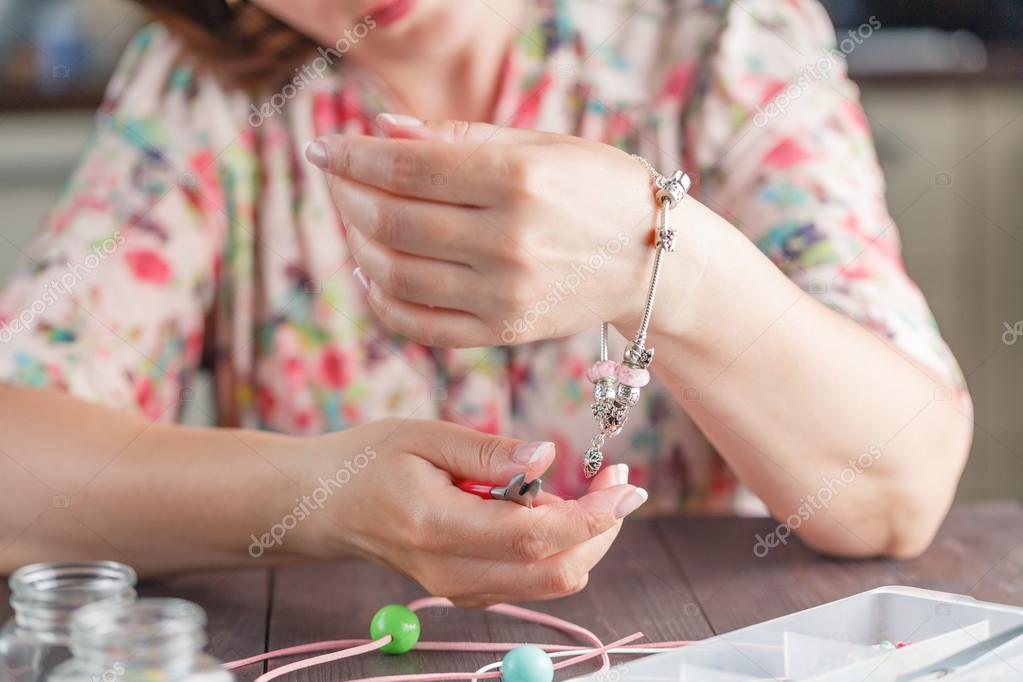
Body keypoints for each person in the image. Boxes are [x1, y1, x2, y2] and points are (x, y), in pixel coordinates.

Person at [0, 0, 972, 606]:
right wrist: (320, 497)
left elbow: (900, 490)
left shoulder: (724, 40)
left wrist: (666, 260)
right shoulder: (203, 100)